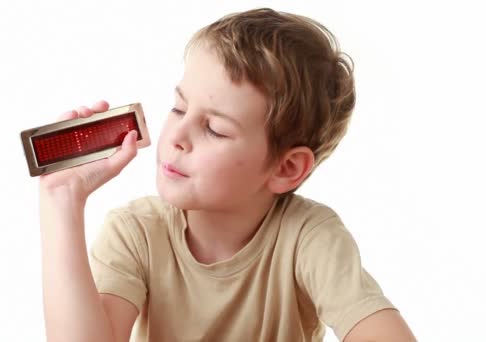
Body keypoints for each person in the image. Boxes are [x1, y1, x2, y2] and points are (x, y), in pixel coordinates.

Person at [37, 7, 416, 342]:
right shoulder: (136, 232)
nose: (178, 138)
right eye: (179, 108)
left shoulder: (309, 237)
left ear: (286, 168)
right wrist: (62, 202)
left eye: (215, 129)